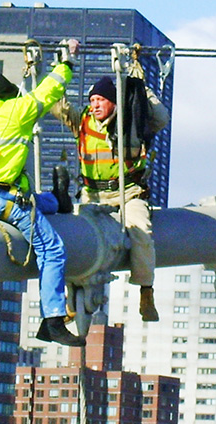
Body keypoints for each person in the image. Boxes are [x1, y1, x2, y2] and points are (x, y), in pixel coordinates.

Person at [0, 41, 84, 347]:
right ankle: (52, 320)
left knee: (32, 198)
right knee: (53, 249)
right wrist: (68, 62)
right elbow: (48, 92)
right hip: (0, 203)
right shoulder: (14, 113)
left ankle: (56, 200)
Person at [52, 69, 169, 321]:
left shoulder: (134, 120)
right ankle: (71, 299)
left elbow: (161, 117)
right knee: (77, 240)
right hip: (93, 197)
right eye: (92, 100)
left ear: (113, 102)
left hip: (128, 193)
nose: (94, 105)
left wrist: (140, 88)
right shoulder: (82, 121)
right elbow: (55, 104)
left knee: (141, 233)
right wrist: (63, 66)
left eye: (100, 100)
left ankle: (146, 292)